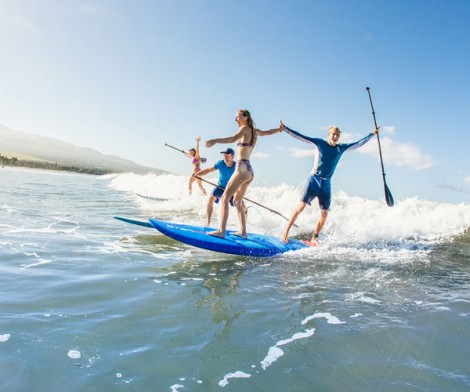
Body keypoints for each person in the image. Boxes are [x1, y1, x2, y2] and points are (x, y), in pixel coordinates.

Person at [280, 121, 380, 246]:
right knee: (300, 207)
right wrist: (285, 129)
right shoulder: (320, 143)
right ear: (329, 134)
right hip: (314, 180)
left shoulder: (341, 148)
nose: (335, 136)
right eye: (333, 134)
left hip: (326, 184)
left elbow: (357, 144)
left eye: (337, 135)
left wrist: (372, 134)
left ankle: (314, 238)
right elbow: (301, 137)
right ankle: (285, 233)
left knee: (324, 214)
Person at [204, 109, 282, 238]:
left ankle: (221, 231)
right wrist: (279, 129)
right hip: (249, 170)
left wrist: (215, 140)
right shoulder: (254, 131)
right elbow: (267, 133)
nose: (236, 120)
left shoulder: (245, 128)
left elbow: (233, 138)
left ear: (246, 118)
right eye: (235, 117)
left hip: (241, 169)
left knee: (224, 198)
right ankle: (243, 232)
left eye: (238, 117)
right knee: (237, 201)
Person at [194, 147, 247, 227]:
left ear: (232, 156)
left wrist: (239, 192)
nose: (225, 158)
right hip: (220, 187)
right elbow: (208, 170)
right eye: (224, 155)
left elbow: (243, 180)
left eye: (227, 156)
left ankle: (244, 227)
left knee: (242, 207)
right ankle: (208, 222)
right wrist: (197, 174)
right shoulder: (220, 163)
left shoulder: (237, 167)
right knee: (210, 199)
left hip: (232, 189)